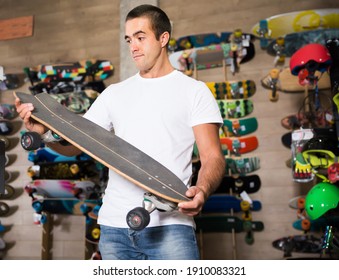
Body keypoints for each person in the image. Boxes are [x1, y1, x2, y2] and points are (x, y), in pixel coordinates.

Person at [15, 4, 225, 260]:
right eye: (128, 40)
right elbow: (77, 144)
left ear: (163, 38)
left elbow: (213, 156)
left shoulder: (194, 91)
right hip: (114, 227)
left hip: (170, 226)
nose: (133, 46)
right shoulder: (114, 94)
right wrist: (45, 134)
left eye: (140, 37)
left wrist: (201, 190)